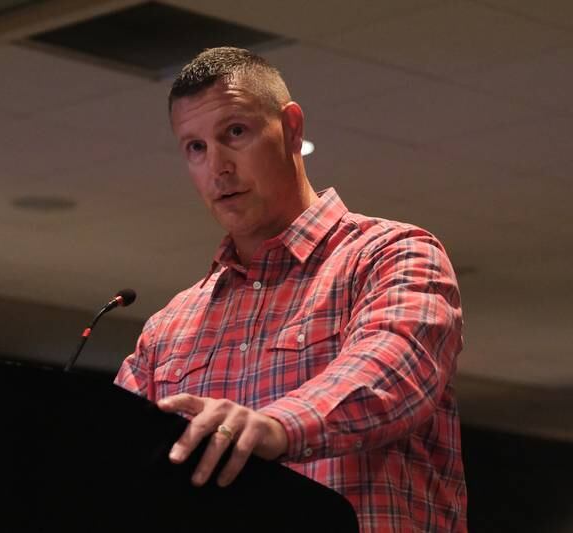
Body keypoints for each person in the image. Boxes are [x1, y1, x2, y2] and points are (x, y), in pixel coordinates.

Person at [115, 46, 466, 532]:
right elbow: (112, 461)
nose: (217, 167)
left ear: (292, 129)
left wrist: (274, 426)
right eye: (195, 147)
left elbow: (392, 370)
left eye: (234, 133)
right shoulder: (166, 329)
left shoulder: (392, 255)